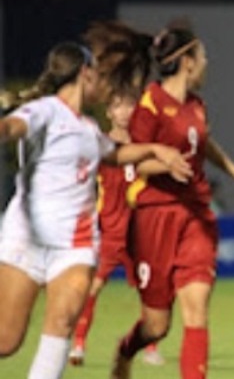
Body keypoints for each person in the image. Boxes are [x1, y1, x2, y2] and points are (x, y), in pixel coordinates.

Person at [0, 42, 190, 379]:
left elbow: (115, 152)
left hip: (76, 246)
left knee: (61, 321)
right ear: (84, 73)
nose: (102, 84)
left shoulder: (88, 128)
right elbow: (13, 127)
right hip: (25, 240)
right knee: (6, 342)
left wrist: (158, 150)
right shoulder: (44, 110)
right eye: (99, 76)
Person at [107, 25, 234, 379]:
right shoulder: (150, 104)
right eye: (202, 57)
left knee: (196, 310)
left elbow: (205, 146)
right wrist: (163, 159)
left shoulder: (197, 106)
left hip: (197, 216)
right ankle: (125, 351)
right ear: (186, 61)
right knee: (156, 327)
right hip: (155, 217)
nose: (206, 64)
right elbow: (133, 161)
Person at [68, 86, 165, 367]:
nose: (124, 112)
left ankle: (149, 348)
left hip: (140, 236)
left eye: (129, 105)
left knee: (153, 294)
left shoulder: (144, 146)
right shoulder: (99, 146)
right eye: (118, 106)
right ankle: (78, 345)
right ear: (109, 112)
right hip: (108, 234)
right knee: (91, 289)